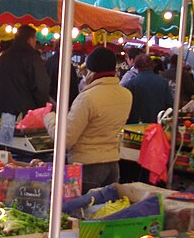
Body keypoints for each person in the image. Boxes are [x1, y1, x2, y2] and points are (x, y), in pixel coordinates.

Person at [44, 46, 132, 193]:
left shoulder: (87, 98)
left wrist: (48, 117)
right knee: (106, 211)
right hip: (113, 165)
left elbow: (65, 140)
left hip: (88, 167)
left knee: (83, 212)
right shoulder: (126, 95)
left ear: (92, 69)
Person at [0, 25, 49, 118]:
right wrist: (42, 110)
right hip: (23, 114)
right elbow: (40, 87)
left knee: (5, 132)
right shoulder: (32, 58)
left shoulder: (4, 57)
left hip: (1, 111)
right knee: (18, 133)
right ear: (30, 39)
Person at [122, 54, 173, 124]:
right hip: (158, 125)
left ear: (137, 66)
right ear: (152, 65)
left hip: (136, 126)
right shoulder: (163, 82)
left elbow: (125, 107)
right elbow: (169, 105)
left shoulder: (131, 84)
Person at [44, 40, 80, 108]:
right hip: (63, 103)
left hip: (50, 101)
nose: (72, 48)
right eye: (70, 45)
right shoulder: (65, 64)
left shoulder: (49, 61)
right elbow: (72, 88)